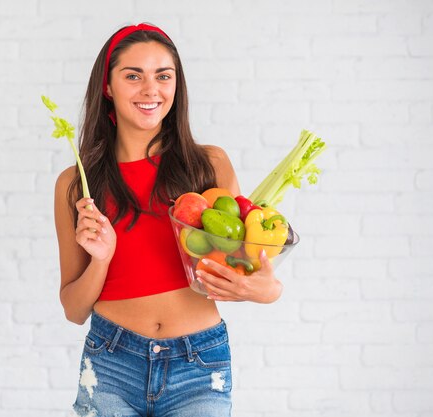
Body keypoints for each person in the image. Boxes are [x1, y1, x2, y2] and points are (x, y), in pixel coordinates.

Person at [54, 22, 283, 417]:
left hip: (199, 363)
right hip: (110, 363)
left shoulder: (209, 165)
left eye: (163, 76)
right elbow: (74, 310)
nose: (151, 89)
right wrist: (102, 258)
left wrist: (265, 289)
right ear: (107, 87)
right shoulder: (77, 184)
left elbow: (243, 271)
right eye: (133, 76)